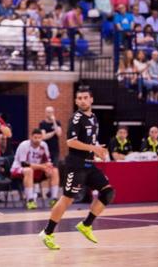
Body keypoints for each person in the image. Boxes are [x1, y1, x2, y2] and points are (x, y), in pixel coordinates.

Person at [40, 87, 115, 250]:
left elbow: (89, 142)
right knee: (67, 199)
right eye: (79, 98)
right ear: (76, 101)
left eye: (85, 97)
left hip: (89, 164)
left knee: (108, 192)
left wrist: (97, 150)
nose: (82, 100)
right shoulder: (76, 118)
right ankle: (47, 233)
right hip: (76, 164)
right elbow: (70, 142)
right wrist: (93, 148)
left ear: (91, 99)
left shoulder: (94, 118)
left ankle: (86, 225)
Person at [12, 129, 59, 209]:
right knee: (29, 170)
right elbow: (24, 164)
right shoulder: (24, 145)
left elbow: (47, 161)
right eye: (35, 138)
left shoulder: (44, 145)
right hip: (18, 169)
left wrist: (48, 167)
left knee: (54, 171)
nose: (37, 140)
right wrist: (43, 166)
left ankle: (54, 199)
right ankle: (30, 201)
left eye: (39, 138)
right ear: (31, 137)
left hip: (36, 171)